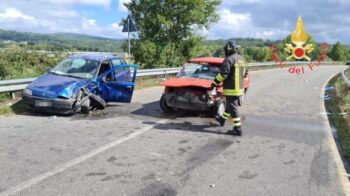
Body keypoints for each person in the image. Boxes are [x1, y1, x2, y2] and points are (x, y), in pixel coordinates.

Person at [211, 41, 248, 136]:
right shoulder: (242, 59)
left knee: (233, 108)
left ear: (228, 49)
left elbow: (223, 74)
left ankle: (237, 129)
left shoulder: (228, 59)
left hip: (231, 89)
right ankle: (222, 120)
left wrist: (214, 82)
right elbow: (246, 73)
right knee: (229, 106)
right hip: (239, 88)